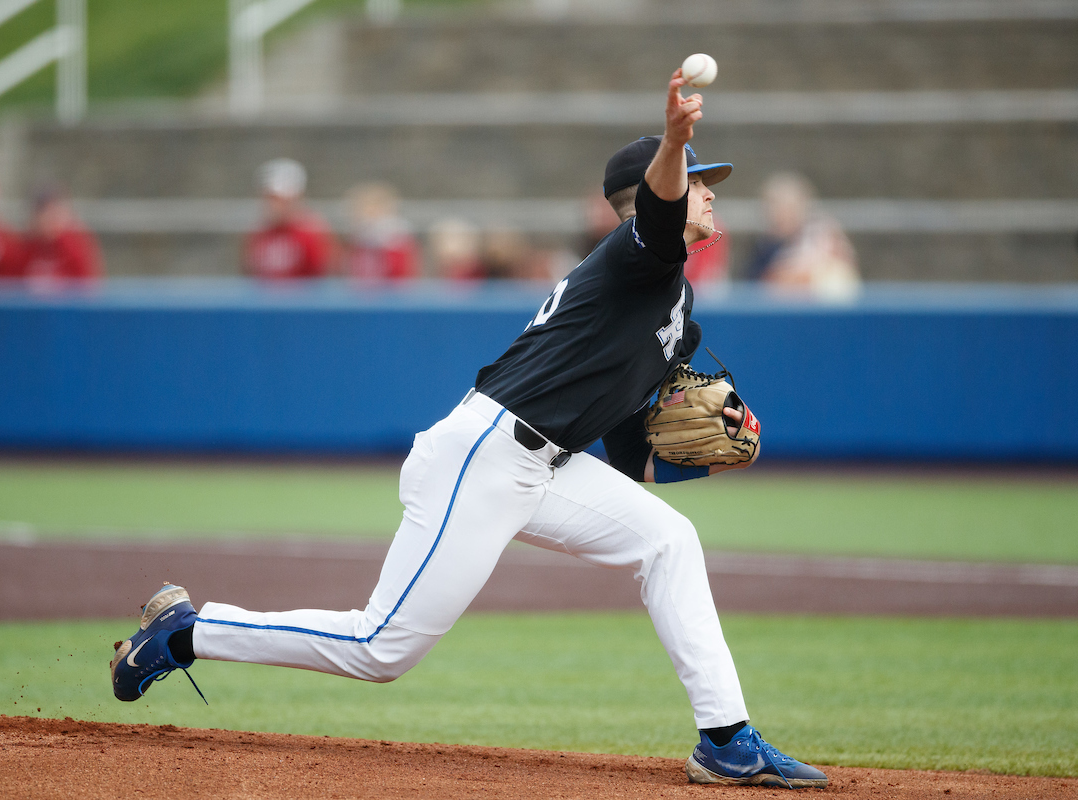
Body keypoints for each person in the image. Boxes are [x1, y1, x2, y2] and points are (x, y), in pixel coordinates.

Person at [109, 67, 828, 790]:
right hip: (482, 457)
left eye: (708, 179)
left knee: (668, 539)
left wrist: (701, 455)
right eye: (698, 177)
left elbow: (628, 448)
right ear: (642, 201)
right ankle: (186, 633)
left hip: (545, 466)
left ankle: (725, 739)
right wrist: (674, 140)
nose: (709, 189)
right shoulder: (637, 258)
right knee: (380, 649)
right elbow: (662, 206)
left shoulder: (677, 312)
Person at [745, 172, 860, 299]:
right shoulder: (764, 246)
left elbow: (841, 284)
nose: (776, 213)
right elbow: (754, 288)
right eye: (771, 206)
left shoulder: (825, 239)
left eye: (785, 206)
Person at [243, 159, 333, 280]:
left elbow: (322, 277)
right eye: (270, 198)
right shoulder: (259, 232)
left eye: (278, 199)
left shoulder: (311, 233)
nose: (273, 205)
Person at [22, 188, 104, 284]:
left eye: (55, 213)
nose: (50, 219)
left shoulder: (77, 243)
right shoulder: (28, 246)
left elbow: (89, 283)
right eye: (45, 212)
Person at [342, 182, 419, 281]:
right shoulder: (358, 236)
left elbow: (400, 271)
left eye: (368, 207)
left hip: (390, 289)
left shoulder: (396, 235)